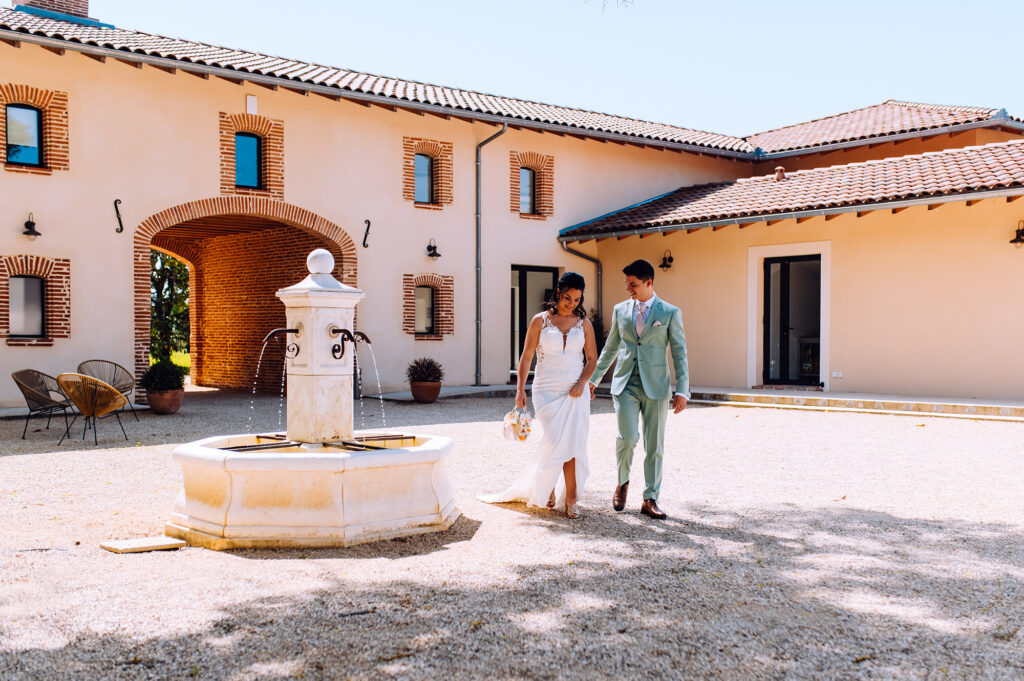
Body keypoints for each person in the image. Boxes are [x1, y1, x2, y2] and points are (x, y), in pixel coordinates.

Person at [479, 272, 598, 519]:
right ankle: (547, 487)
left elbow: (592, 359)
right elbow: (526, 356)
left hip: (576, 391)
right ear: (558, 293)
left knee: (573, 444)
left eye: (577, 299)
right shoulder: (539, 321)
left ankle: (571, 500)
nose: (572, 304)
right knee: (555, 439)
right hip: (546, 390)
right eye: (568, 298)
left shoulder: (584, 324)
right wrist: (520, 388)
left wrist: (582, 383)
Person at [588, 259, 688, 520]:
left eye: (633, 284)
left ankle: (650, 498)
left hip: (657, 386)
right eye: (627, 284)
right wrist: (594, 379)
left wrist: (682, 390)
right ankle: (622, 483)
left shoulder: (670, 312)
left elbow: (679, 353)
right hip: (626, 384)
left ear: (649, 282)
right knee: (628, 437)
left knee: (654, 444)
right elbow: (611, 348)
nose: (628, 289)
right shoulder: (620, 310)